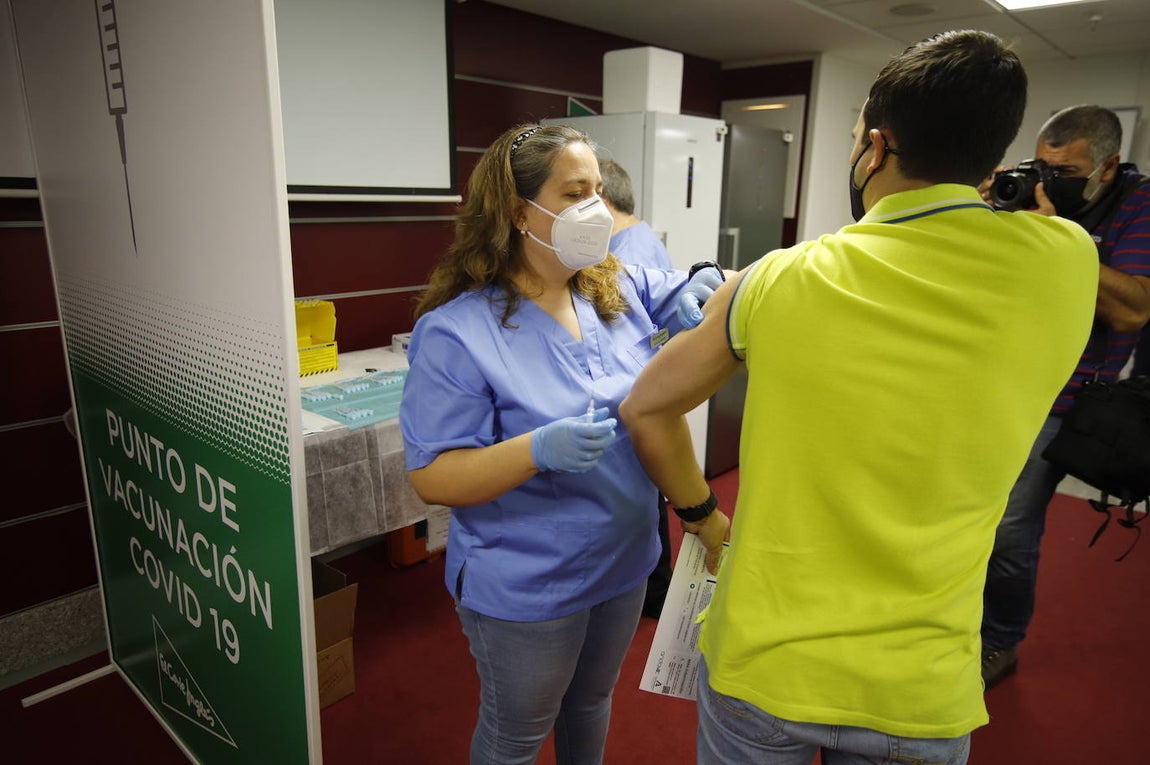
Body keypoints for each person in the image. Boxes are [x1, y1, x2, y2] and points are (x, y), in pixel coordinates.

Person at [619, 29, 1098, 764]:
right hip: (920, 686)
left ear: (876, 148)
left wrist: (706, 520)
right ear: (993, 161)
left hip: (766, 664)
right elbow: (1033, 236)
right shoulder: (1069, 261)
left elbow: (646, 407)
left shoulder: (780, 280)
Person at [398, 122, 722, 765]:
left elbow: (707, 283)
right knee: (516, 734)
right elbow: (433, 477)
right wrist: (534, 450)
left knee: (591, 702)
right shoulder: (457, 333)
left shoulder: (615, 286)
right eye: (575, 194)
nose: (595, 209)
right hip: (530, 578)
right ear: (518, 211)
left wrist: (703, 283)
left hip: (624, 558)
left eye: (598, 191)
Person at [979, 105, 1150, 689]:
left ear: (1109, 166)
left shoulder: (1137, 206)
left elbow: (1134, 308)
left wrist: (1057, 236)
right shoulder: (1024, 197)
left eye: (1069, 172)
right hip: (996, 382)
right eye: (1045, 168)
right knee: (965, 515)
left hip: (1064, 398)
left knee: (1010, 531)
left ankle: (999, 640)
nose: (1053, 181)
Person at [599, 157, 675, 618]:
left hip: (641, 392)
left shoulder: (623, 259)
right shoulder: (643, 237)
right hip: (654, 380)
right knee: (654, 485)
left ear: (603, 201)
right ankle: (655, 586)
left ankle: (654, 590)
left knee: (648, 489)